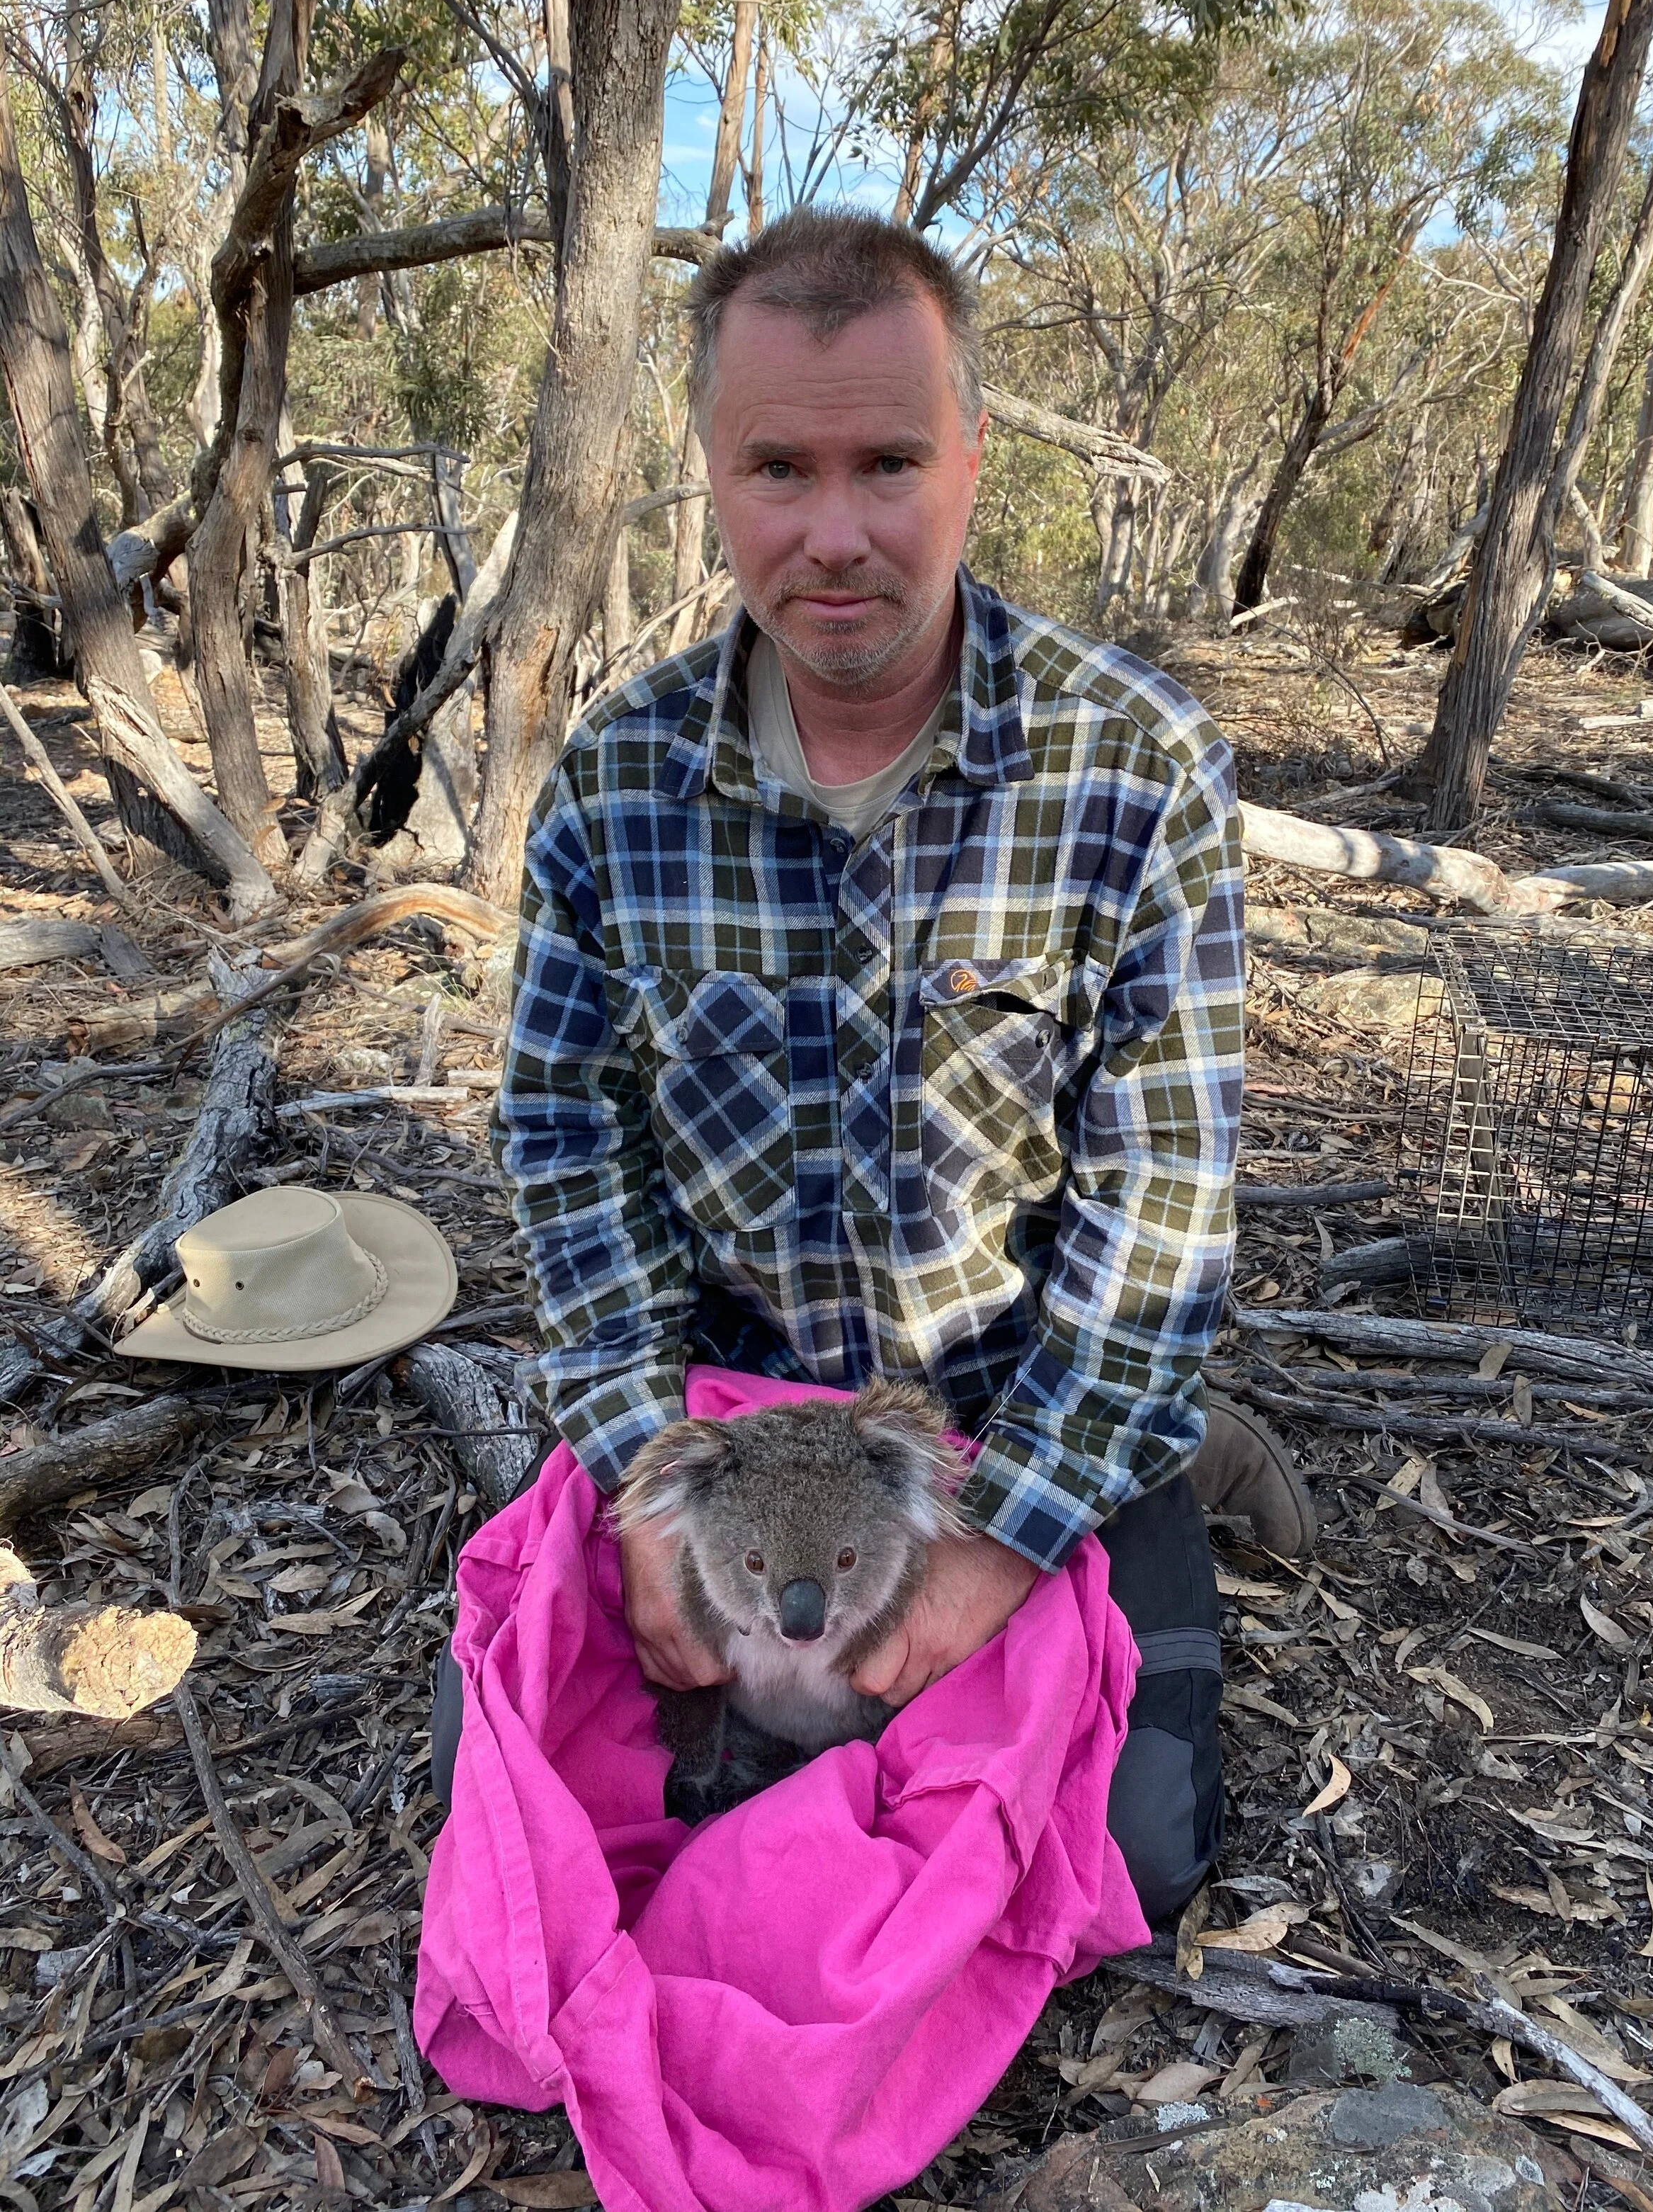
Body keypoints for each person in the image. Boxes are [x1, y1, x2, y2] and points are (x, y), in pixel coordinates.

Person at [433, 208, 1314, 1919]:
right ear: (710, 468)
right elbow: (567, 1140)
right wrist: (638, 1481)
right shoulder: (617, 785)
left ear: (973, 458)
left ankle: (1169, 1441)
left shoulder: (1133, 770)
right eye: (777, 466)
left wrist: (1006, 1538)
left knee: (1114, 1861)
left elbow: (1162, 1192)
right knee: (580, 1821)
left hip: (1011, 1409)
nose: (833, 536)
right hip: (731, 1433)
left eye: (888, 462)